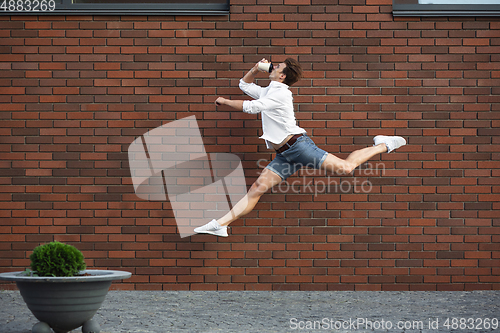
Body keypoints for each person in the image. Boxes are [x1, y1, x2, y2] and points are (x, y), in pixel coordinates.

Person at [194, 58, 406, 237]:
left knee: (346, 168)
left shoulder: (281, 93)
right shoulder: (270, 90)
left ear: (282, 76)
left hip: (299, 147)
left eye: (276, 66)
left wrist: (224, 101)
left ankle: (384, 144)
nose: (272, 67)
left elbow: (251, 108)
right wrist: (255, 69)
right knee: (257, 189)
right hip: (285, 155)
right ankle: (221, 224)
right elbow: (244, 85)